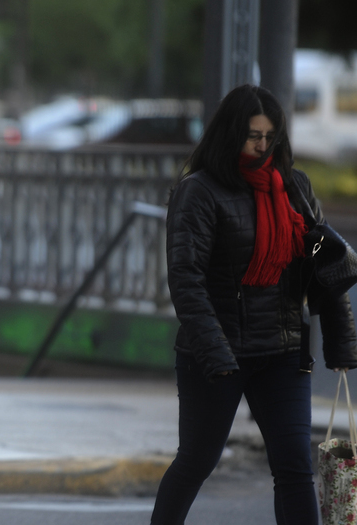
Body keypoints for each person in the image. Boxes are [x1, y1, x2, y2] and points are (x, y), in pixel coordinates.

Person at [153, 84, 357, 524]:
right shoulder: (199, 192)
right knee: (196, 463)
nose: (262, 147)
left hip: (282, 351)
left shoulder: (294, 189)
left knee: (295, 469)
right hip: (218, 356)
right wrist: (214, 352)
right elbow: (185, 279)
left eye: (270, 137)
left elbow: (329, 268)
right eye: (253, 137)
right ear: (230, 135)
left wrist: (342, 344)